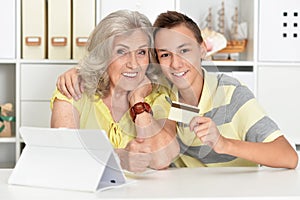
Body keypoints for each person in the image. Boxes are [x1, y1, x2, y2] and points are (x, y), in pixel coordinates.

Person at [56, 11, 298, 169]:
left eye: (185, 50)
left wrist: (223, 143)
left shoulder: (228, 93)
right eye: (164, 55)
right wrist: (80, 72)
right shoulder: (165, 92)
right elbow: (63, 156)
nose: (176, 63)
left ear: (203, 50)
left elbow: (289, 157)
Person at [51, 10, 179, 173]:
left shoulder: (159, 97)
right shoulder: (74, 90)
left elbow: (162, 159)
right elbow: (63, 154)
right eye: (121, 52)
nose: (134, 64)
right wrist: (118, 158)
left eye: (141, 52)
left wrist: (138, 101)